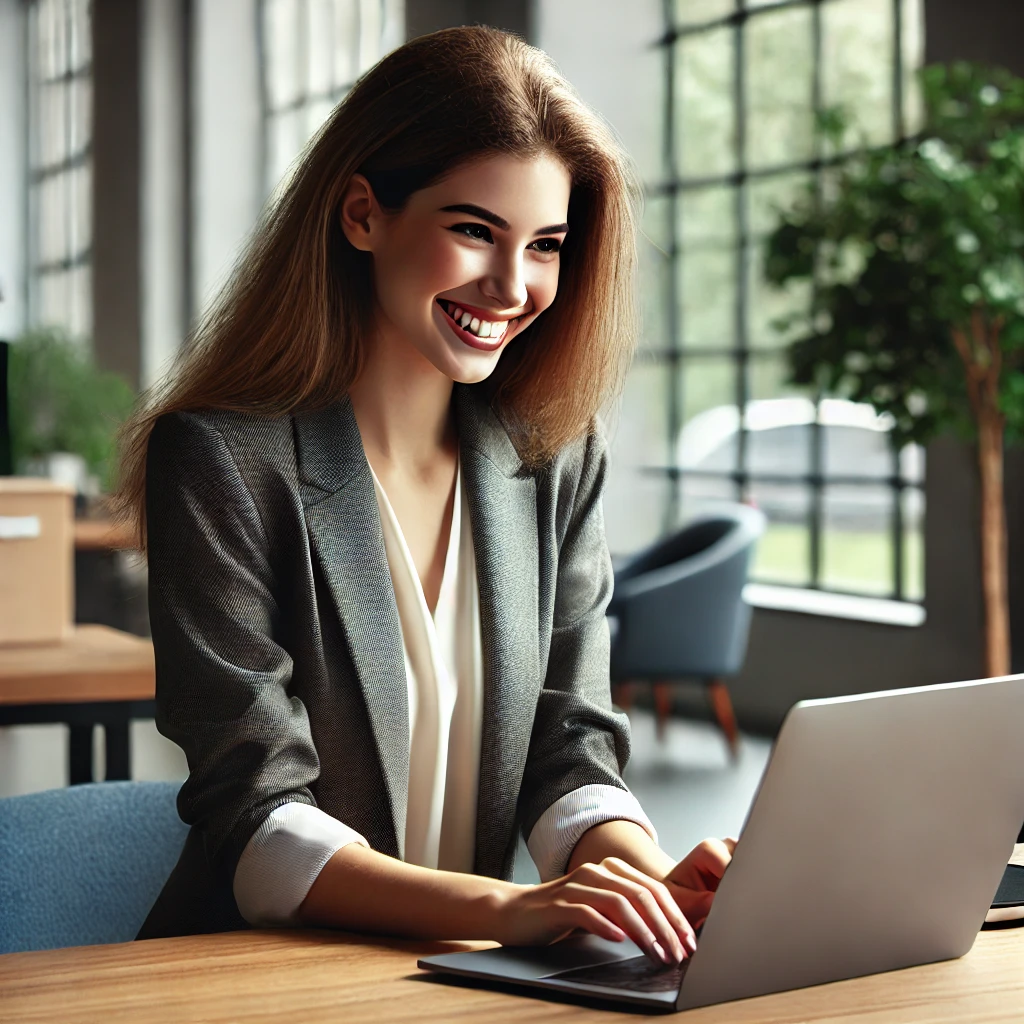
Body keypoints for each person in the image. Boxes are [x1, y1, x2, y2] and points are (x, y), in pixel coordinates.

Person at [112, 25, 735, 965]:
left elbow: (570, 748)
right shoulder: (219, 459)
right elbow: (259, 818)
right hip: (257, 975)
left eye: (548, 246)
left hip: (459, 981)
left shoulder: (555, 456)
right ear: (363, 214)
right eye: (474, 230)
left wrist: (640, 881)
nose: (515, 285)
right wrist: (507, 909)